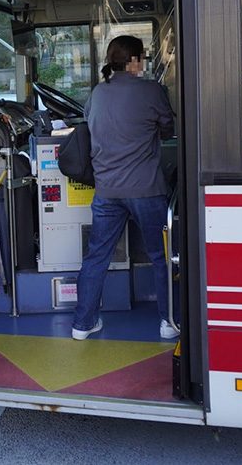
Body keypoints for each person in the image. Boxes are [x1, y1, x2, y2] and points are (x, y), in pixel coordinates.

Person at [71, 35, 177, 341]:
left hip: (106, 191)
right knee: (161, 256)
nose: (142, 63)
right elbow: (169, 127)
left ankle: (83, 323)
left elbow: (90, 127)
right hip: (146, 189)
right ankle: (168, 321)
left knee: (96, 257)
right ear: (132, 61)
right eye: (141, 58)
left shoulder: (97, 93)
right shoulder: (151, 90)